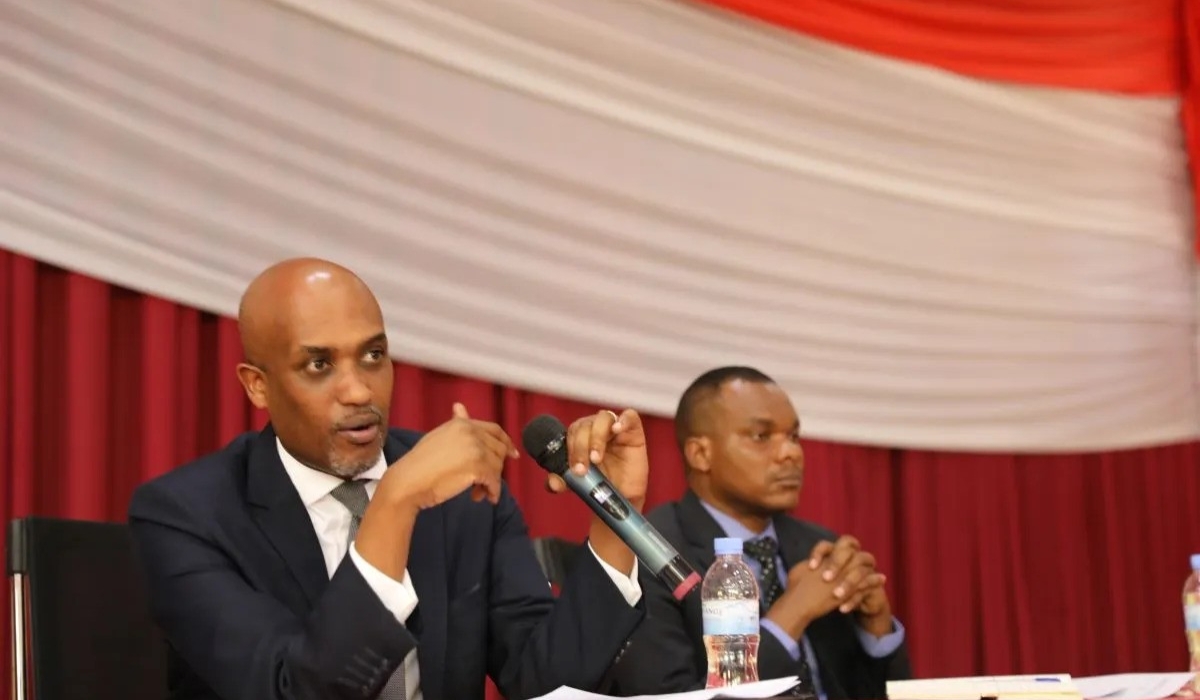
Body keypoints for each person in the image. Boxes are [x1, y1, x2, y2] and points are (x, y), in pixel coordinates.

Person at [127, 258, 650, 700]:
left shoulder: (463, 493)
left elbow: (546, 681)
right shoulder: (186, 514)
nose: (358, 391)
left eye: (373, 355)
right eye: (318, 365)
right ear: (258, 386)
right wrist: (394, 501)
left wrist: (614, 514)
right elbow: (293, 687)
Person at [606, 366, 912, 699]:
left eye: (793, 436)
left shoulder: (816, 547)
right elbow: (667, 696)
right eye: (761, 436)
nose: (791, 453)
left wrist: (876, 627)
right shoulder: (649, 555)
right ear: (701, 454)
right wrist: (790, 616)